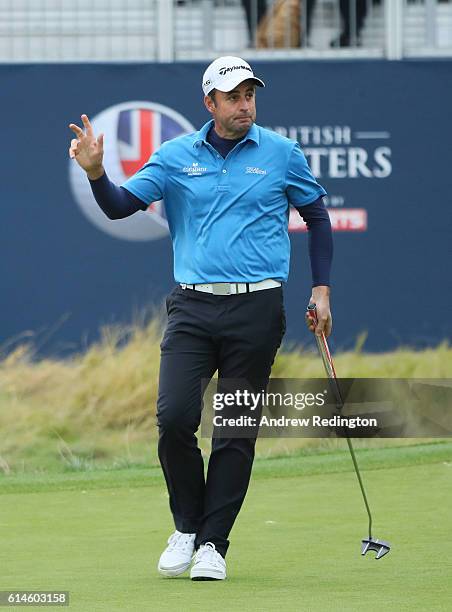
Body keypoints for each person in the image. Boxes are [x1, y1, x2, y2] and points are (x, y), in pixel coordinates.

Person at [68, 56, 333, 581]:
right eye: (233, 97)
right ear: (209, 103)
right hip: (192, 307)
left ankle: (213, 544)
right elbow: (121, 206)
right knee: (174, 419)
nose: (245, 105)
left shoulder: (281, 153)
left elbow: (317, 215)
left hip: (257, 308)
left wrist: (321, 289)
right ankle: (187, 526)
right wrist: (98, 174)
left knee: (234, 430)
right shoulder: (173, 157)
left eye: (250, 95)